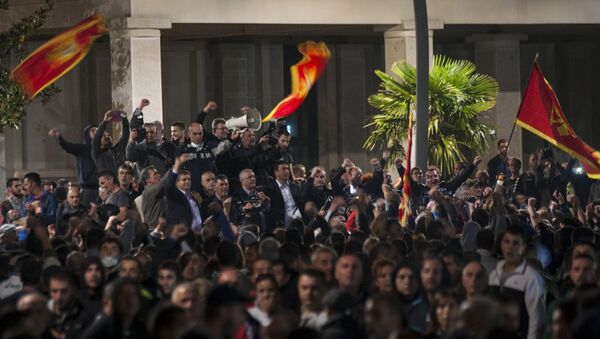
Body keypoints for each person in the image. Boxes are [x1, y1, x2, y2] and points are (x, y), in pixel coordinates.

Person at [488, 224, 546, 339]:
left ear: (523, 247)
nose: (510, 247)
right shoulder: (495, 273)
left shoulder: (531, 278)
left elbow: (537, 319)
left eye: (515, 243)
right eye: (507, 242)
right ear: (501, 245)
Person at [49, 125, 99, 205]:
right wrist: (59, 138)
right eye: (93, 130)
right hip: (87, 188)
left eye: (98, 130)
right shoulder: (82, 148)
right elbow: (67, 146)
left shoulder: (102, 149)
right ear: (87, 134)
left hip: (101, 188)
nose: (96, 132)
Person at [165, 154, 203, 230]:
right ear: (177, 182)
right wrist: (176, 168)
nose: (187, 181)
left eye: (189, 179)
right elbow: (168, 187)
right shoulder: (174, 195)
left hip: (199, 233)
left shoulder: (193, 196)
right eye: (184, 179)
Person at [265, 160, 304, 230]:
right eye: (283, 169)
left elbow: (301, 204)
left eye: (287, 169)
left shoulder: (296, 187)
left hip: (298, 219)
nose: (287, 171)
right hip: (282, 221)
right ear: (276, 172)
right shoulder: (270, 189)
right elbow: (271, 210)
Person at [91, 110, 130, 174]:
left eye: (108, 135)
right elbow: (97, 138)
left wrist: (124, 120)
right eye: (104, 135)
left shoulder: (118, 149)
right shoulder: (97, 153)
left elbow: (125, 136)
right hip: (108, 182)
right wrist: (105, 122)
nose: (107, 136)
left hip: (121, 182)